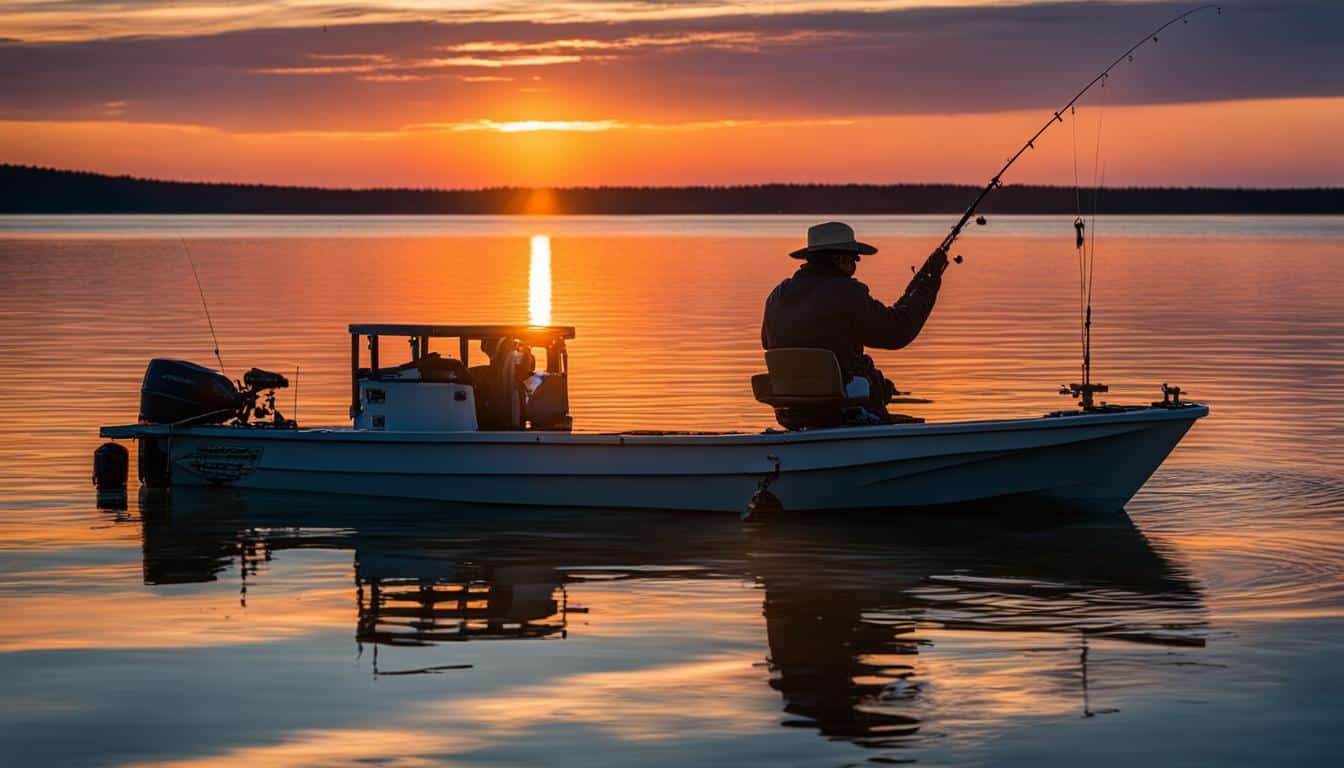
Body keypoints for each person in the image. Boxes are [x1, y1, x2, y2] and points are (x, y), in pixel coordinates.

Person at [761, 221, 948, 421]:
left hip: (791, 412)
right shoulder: (847, 292)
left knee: (875, 384)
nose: (855, 267)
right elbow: (896, 332)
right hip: (842, 409)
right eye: (854, 260)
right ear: (839, 259)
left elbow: (767, 342)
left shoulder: (777, 295)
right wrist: (928, 282)